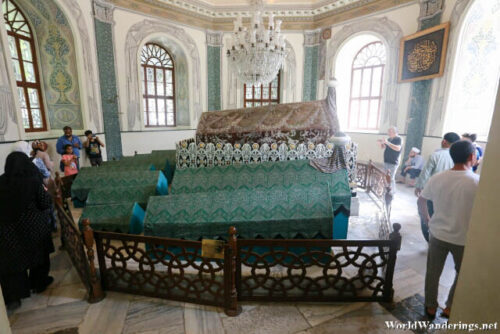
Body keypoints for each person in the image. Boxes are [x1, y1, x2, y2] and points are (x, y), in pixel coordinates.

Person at [417, 140, 479, 319]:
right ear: (471, 157)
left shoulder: (438, 178)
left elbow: (421, 200)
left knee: (433, 273)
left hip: (437, 235)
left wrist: (427, 219)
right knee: (462, 274)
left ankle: (430, 306)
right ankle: (450, 307)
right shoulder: (477, 182)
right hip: (463, 239)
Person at [0, 152, 55, 310]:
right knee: (39, 258)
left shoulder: (1, 182)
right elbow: (45, 203)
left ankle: (15, 296)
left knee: (13, 263)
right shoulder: (32, 181)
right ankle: (38, 283)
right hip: (34, 229)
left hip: (8, 231)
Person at [415, 132, 460, 241]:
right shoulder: (458, 157)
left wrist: (419, 187)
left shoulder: (436, 155)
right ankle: (441, 238)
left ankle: (430, 239)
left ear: (444, 141)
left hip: (433, 193)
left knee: (427, 215)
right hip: (451, 194)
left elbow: (425, 173)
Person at [377, 126, 402, 194]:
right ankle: (385, 190)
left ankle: (391, 192)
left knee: (391, 178)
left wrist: (387, 142)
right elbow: (384, 147)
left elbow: (397, 148)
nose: (388, 133)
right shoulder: (389, 139)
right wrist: (380, 144)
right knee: (385, 176)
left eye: (389, 131)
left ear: (394, 132)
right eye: (388, 131)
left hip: (393, 162)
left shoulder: (398, 139)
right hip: (386, 161)